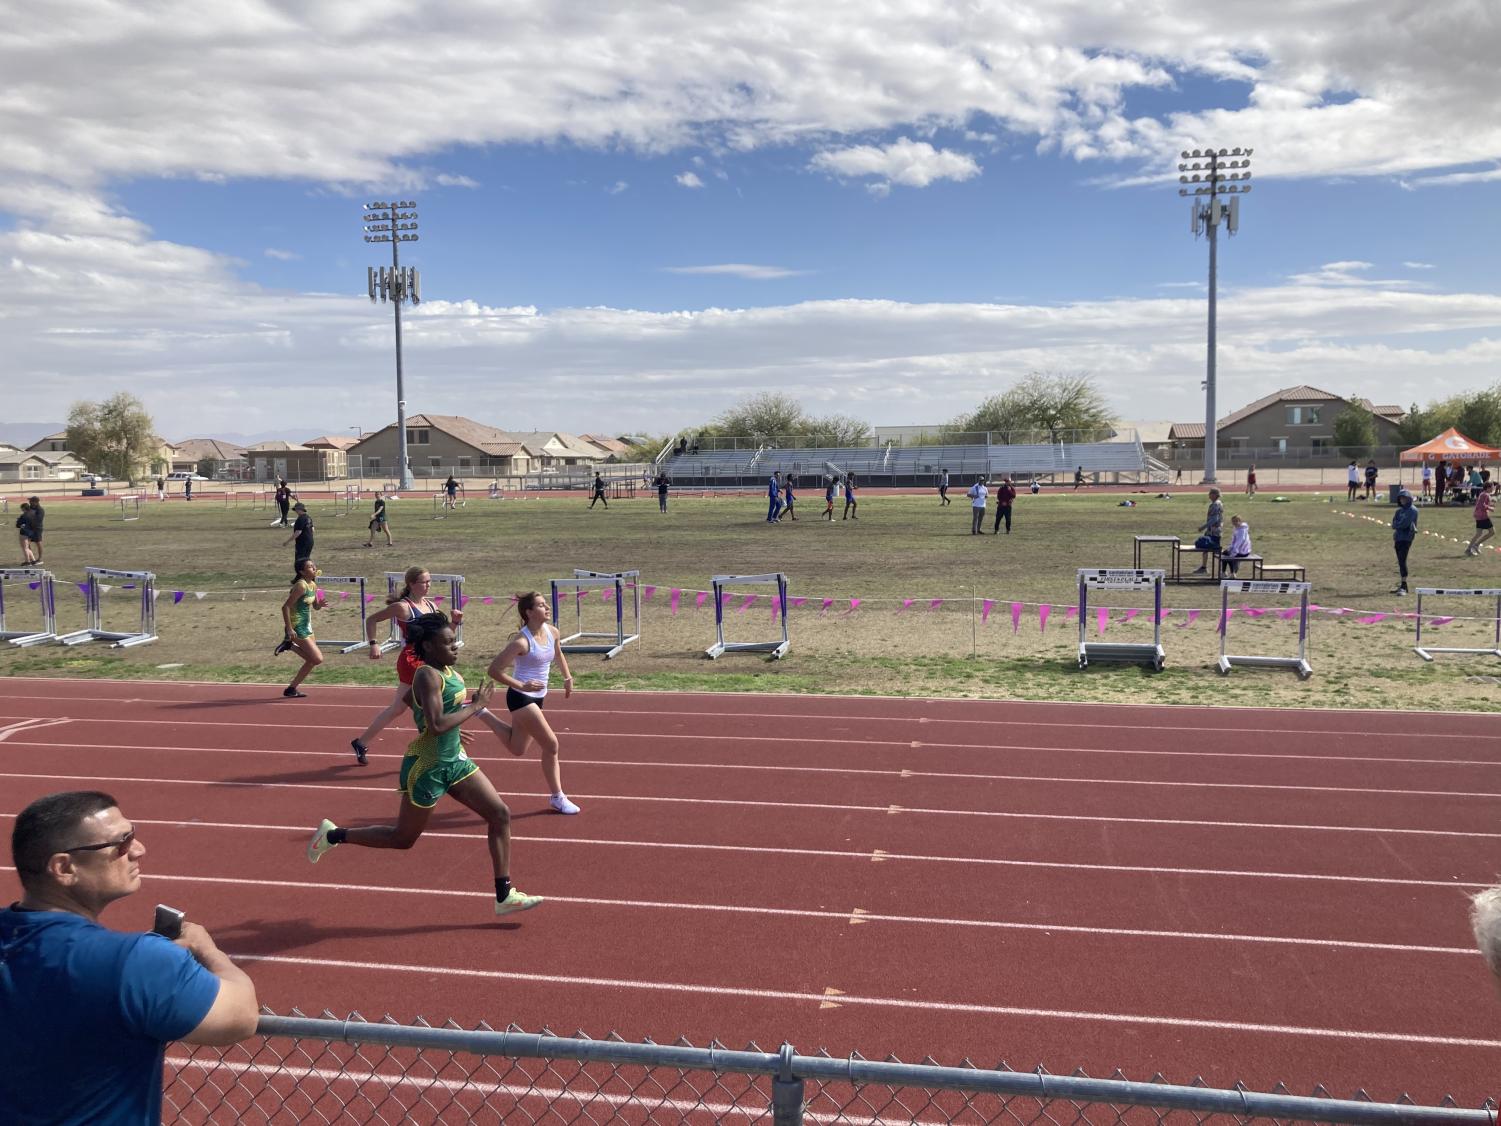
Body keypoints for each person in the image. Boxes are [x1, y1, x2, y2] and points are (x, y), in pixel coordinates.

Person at [0, 791, 259, 1123]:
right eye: (120, 844)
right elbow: (240, 1016)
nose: (138, 850)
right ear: (64, 867)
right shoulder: (135, 961)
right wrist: (209, 950)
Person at [308, 612, 544, 916]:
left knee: (499, 814)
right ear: (429, 646)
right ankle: (333, 835)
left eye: (454, 641)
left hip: (455, 760)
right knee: (402, 839)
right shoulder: (426, 674)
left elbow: (419, 707)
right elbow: (434, 724)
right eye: (447, 643)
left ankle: (504, 895)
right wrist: (473, 708)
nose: (455, 647)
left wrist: (453, 726)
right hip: (427, 767)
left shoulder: (448, 671)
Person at [350, 566, 486, 764]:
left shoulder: (431, 606)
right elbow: (372, 619)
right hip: (412, 660)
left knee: (399, 707)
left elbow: (441, 636)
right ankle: (447, 738)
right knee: (435, 700)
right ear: (412, 584)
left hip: (430, 658)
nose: (428, 585)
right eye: (424, 582)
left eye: (430, 581)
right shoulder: (403, 607)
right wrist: (373, 644)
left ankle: (361, 742)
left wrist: (455, 622)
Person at [487, 591, 580, 814]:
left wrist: (567, 678)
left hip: (538, 698)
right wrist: (522, 686)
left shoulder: (553, 632)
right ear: (529, 612)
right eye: (541, 605)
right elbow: (494, 670)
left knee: (517, 748)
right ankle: (557, 797)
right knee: (551, 744)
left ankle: (482, 713)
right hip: (520, 697)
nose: (547, 608)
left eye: (546, 604)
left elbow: (558, 654)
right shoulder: (521, 641)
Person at [276, 558, 324, 697]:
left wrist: (319, 605)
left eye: (314, 565)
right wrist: (289, 629)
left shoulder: (313, 585)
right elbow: (285, 607)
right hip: (297, 626)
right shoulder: (301, 586)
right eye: (310, 567)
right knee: (317, 659)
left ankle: (291, 689)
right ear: (302, 571)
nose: (314, 568)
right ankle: (289, 645)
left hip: (307, 626)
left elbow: (315, 606)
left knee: (311, 661)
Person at [1391, 488, 1418, 594]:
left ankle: (1404, 585)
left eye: (1404, 498)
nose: (1402, 500)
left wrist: (1397, 525)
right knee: (1400, 560)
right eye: (1401, 498)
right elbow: (1394, 522)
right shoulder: (1399, 511)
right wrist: (1397, 525)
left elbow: (1404, 524)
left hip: (1406, 538)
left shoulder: (1413, 510)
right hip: (1398, 537)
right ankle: (1402, 585)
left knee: (1402, 560)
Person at [1191, 488, 1224, 574]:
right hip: (1213, 531)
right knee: (1205, 549)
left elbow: (1214, 519)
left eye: (1210, 494)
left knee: (1214, 550)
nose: (1209, 495)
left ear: (1214, 495)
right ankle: (1204, 567)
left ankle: (1222, 571)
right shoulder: (1219, 503)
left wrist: (1203, 527)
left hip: (1214, 531)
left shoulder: (1215, 505)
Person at [1467, 482, 1496, 556]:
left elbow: (1482, 504)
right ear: (1488, 488)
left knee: (1478, 533)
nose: (1493, 488)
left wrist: (1490, 504)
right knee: (1492, 532)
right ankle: (1476, 545)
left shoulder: (1484, 494)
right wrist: (1490, 508)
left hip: (1479, 516)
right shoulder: (1485, 495)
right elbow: (1481, 505)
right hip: (1483, 516)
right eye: (1492, 487)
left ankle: (1469, 549)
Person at [24, 495, 44, 564]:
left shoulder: (40, 510)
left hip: (37, 529)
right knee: (26, 544)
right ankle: (31, 559)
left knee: (38, 543)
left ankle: (40, 559)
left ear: (35, 502)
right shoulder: (30, 508)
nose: (29, 502)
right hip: (29, 529)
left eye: (31, 501)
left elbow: (38, 520)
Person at [16, 500, 36, 565]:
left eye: (21, 509)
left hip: (24, 533)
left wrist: (18, 520)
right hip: (31, 532)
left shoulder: (24, 515)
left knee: (24, 548)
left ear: (23, 508)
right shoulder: (33, 513)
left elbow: (18, 525)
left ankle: (27, 561)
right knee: (27, 547)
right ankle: (33, 560)